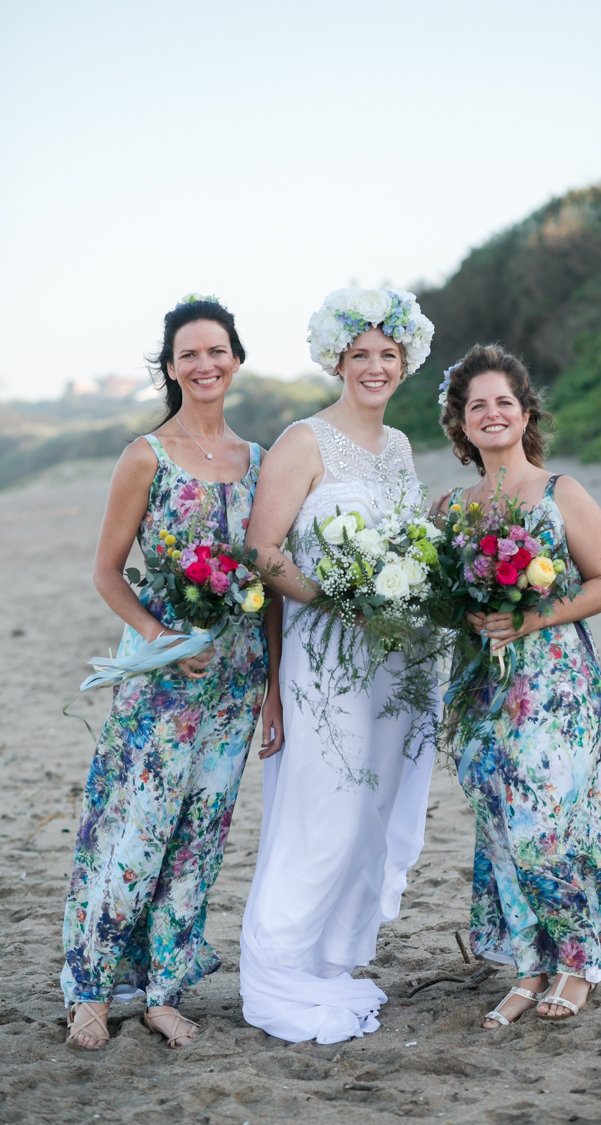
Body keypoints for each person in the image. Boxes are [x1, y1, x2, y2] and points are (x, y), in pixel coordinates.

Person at [62, 295, 283, 1050]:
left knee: (200, 837)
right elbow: (107, 571)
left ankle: (162, 989)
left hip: (237, 680)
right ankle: (91, 988)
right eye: (188, 353)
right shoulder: (144, 456)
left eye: (216, 350)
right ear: (169, 367)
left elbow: (270, 583)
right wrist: (159, 636)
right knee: (136, 829)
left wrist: (276, 688)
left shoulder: (260, 462)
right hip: (163, 683)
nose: (204, 363)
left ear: (237, 359)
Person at [238, 287, 437, 1044]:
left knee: (370, 811)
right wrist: (333, 597)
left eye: (389, 355)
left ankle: (328, 956)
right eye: (361, 355)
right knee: (328, 809)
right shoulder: (304, 440)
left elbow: (410, 547)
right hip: (327, 658)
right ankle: (279, 961)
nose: (376, 367)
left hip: (395, 660)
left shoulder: (402, 448)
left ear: (405, 361)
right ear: (338, 361)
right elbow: (261, 552)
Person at [435, 343, 601, 1026]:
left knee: (546, 829)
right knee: (500, 829)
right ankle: (529, 964)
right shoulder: (452, 508)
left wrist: (532, 613)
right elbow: (444, 601)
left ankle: (577, 961)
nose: (491, 413)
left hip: (558, 686)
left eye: (503, 402)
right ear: (460, 421)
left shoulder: (559, 492)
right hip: (485, 687)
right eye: (476, 404)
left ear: (524, 412)